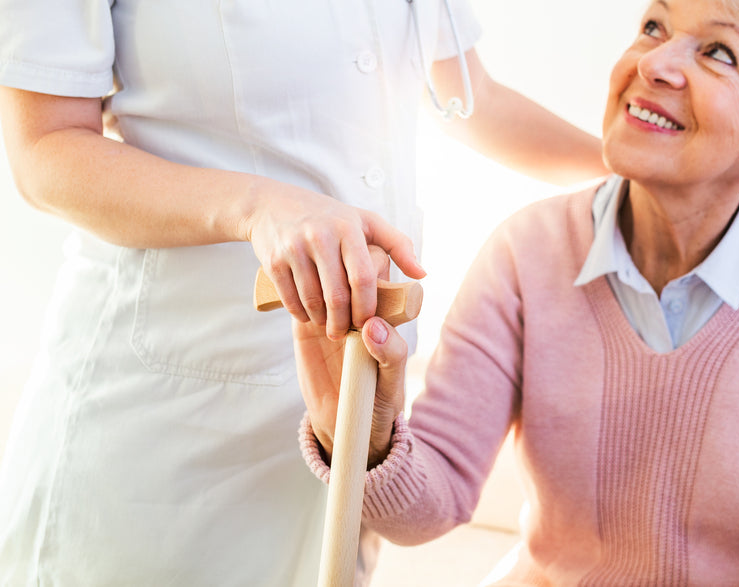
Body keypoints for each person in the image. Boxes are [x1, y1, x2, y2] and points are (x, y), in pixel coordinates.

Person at [0, 0, 608, 585]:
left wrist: (641, 170)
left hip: (345, 425)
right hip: (165, 425)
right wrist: (258, 207)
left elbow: (472, 98)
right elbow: (45, 149)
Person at [296, 0, 739, 583]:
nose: (655, 63)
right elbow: (429, 505)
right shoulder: (527, 250)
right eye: (654, 27)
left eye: (718, 52)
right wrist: (360, 435)